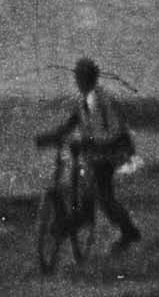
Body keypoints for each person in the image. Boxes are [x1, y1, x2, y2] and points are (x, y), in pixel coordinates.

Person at [35, 57, 141, 252]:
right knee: (84, 185)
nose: (79, 81)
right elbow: (71, 124)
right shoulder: (83, 100)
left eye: (82, 77)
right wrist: (51, 137)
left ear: (90, 78)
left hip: (111, 150)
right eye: (78, 77)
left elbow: (115, 130)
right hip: (94, 150)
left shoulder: (103, 100)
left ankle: (129, 231)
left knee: (104, 197)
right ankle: (77, 218)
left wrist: (90, 141)